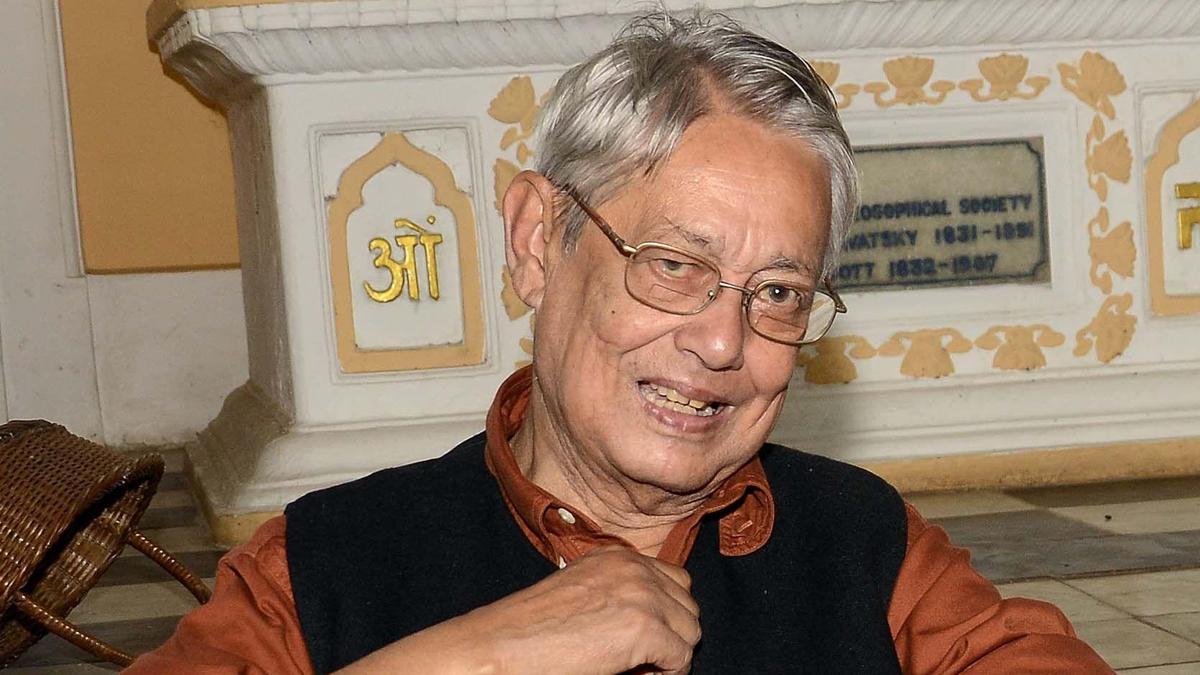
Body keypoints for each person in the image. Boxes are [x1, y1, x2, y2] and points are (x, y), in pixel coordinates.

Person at [128, 11, 1112, 674]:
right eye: (674, 265)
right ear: (537, 243)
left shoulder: (868, 547)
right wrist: (484, 656)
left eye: (778, 293)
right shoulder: (321, 567)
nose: (721, 342)